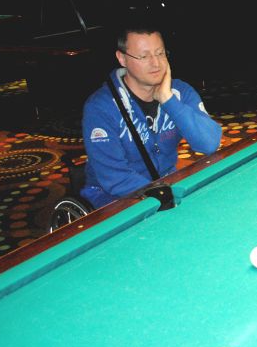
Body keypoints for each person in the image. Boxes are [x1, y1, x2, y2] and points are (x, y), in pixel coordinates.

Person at [80, 23, 222, 209]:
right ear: (122, 58)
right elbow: (114, 178)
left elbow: (209, 144)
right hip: (111, 196)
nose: (156, 63)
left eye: (160, 53)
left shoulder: (180, 92)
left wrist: (168, 100)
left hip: (165, 184)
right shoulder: (100, 107)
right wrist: (161, 194)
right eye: (144, 56)